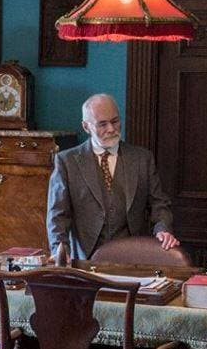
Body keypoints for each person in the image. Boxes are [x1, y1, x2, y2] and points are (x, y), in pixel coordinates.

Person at [45, 93, 179, 264]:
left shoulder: (142, 159)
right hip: (84, 259)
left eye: (115, 121)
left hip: (133, 259)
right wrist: (60, 250)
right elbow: (58, 214)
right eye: (102, 124)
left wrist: (163, 229)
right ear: (86, 127)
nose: (111, 129)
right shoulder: (67, 162)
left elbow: (159, 204)